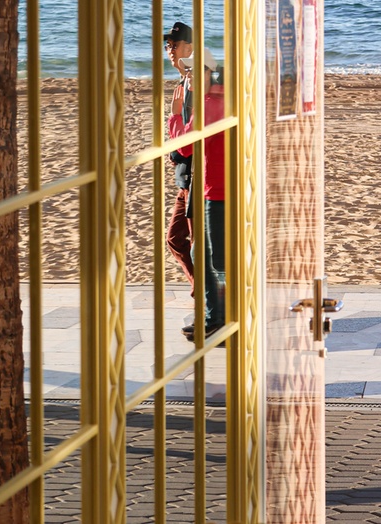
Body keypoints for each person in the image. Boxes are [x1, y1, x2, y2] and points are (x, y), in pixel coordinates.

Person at [168, 48, 226, 340]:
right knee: (206, 253)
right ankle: (214, 316)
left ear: (206, 73)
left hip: (215, 189)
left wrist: (175, 116)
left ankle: (218, 318)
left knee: (210, 257)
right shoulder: (219, 100)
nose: (188, 76)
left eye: (192, 71)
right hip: (216, 186)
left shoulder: (208, 105)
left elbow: (184, 147)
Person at [163, 22, 196, 296]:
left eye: (176, 44)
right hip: (186, 177)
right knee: (175, 239)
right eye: (168, 45)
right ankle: (202, 291)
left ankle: (209, 302)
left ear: (191, 47)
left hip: (197, 177)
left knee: (195, 244)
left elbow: (187, 142)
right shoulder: (185, 81)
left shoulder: (195, 83)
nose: (170, 50)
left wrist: (174, 117)